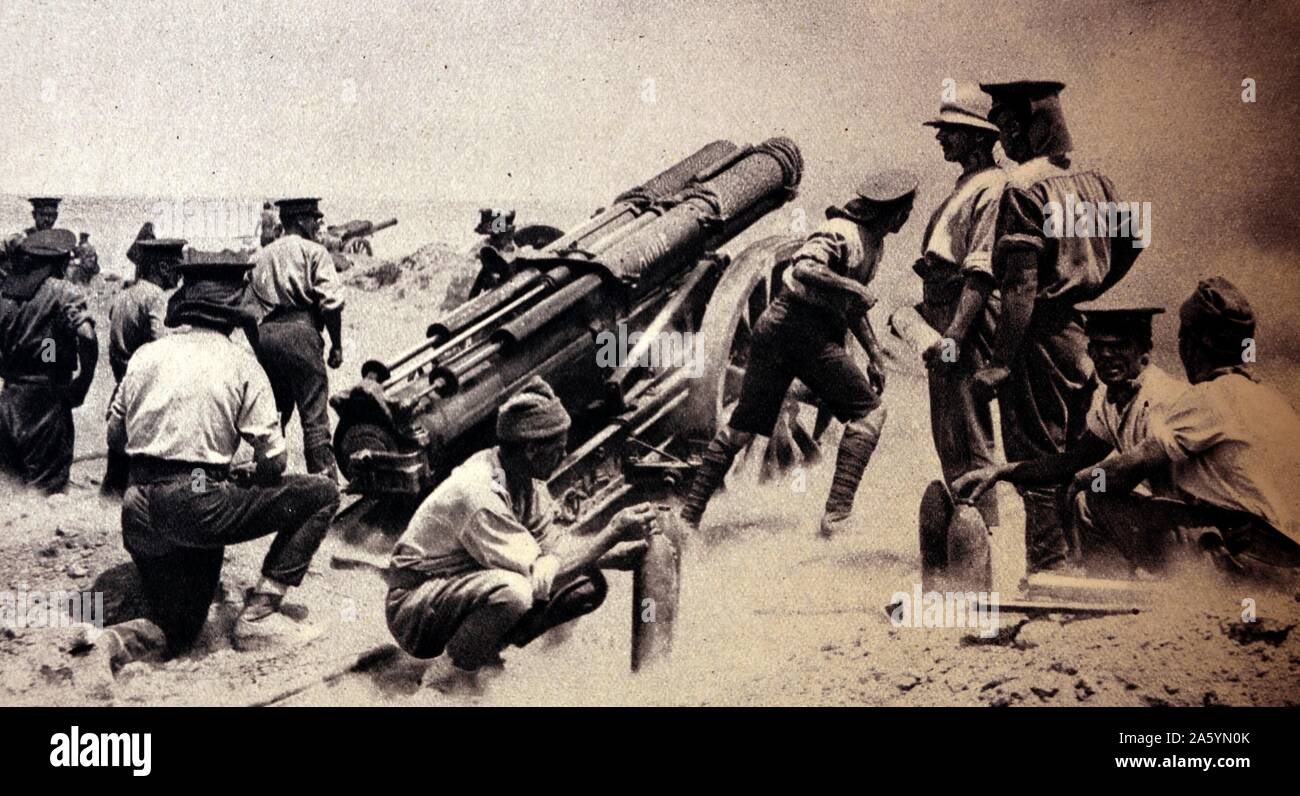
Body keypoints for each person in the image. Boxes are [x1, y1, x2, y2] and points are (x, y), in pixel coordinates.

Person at [92, 250, 339, 673]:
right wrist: (239, 475)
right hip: (195, 504)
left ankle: (113, 641)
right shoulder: (241, 364)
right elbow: (275, 463)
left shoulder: (147, 357)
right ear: (237, 314)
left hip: (136, 507)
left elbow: (116, 437)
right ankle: (260, 615)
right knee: (321, 494)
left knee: (183, 624)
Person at [679, 170, 917, 538]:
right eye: (906, 211)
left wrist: (874, 354)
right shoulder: (843, 232)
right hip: (801, 330)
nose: (906, 219)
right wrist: (851, 285)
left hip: (781, 330)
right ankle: (836, 518)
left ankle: (688, 517)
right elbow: (804, 267)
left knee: (741, 429)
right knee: (870, 415)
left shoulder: (873, 242)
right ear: (895, 212)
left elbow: (851, 307)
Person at [385, 376, 655, 692]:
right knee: (514, 591)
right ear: (530, 449)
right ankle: (447, 679)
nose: (564, 452)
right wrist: (613, 532)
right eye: (557, 447)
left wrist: (609, 555)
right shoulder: (480, 492)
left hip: (456, 589)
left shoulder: (525, 480)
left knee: (585, 585)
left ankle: (484, 650)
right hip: (414, 607)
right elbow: (542, 575)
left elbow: (553, 548)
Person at [974, 79, 1140, 572]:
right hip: (1081, 337)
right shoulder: (1100, 182)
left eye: (1007, 126)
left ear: (1036, 126)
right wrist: (1090, 282)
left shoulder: (1024, 189)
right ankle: (1082, 563)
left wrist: (1001, 363)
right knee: (1075, 457)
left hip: (1038, 339)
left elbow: (1020, 285)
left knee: (1036, 459)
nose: (1002, 141)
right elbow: (1133, 241)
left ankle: (1049, 569)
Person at [1056, 278, 1300, 582]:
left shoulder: (1209, 397)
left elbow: (1128, 470)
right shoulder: (1270, 397)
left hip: (1256, 560)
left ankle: (1122, 594)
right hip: (1287, 557)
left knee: (1095, 500)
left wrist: (1080, 480)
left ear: (1190, 343)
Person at [953, 304, 1186, 572]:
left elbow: (1147, 472)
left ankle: (1161, 579)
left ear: (1144, 353)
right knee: (1089, 497)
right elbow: (1070, 462)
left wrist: (1084, 482)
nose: (1107, 355)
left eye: (1119, 346)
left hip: (1198, 525)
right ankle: (1108, 589)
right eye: (1099, 347)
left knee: (1091, 497)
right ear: (1089, 353)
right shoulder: (1113, 403)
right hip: (1169, 520)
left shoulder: (1162, 398)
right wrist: (999, 473)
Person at [914, 82, 1006, 529]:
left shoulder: (992, 186)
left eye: (949, 129)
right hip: (943, 308)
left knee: (968, 427)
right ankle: (964, 529)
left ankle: (980, 530)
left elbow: (981, 270)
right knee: (949, 429)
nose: (940, 137)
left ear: (977, 136)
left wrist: (955, 333)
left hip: (962, 312)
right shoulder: (967, 184)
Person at [249, 197, 345, 479]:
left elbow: (246, 309)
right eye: (314, 219)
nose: (318, 224)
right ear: (301, 221)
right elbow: (331, 304)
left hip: (266, 335)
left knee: (274, 415)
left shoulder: (260, 256)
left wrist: (259, 343)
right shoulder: (315, 252)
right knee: (314, 415)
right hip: (301, 333)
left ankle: (266, 481)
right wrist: (337, 345)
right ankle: (325, 486)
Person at [0, 229, 97, 493]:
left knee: (11, 493)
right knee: (46, 494)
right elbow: (86, 335)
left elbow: (45, 345)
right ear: (62, 262)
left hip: (9, 401)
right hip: (47, 406)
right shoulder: (63, 292)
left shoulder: (6, 293)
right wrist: (84, 380)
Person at [101, 238, 186, 497]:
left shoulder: (124, 295)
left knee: (116, 468)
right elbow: (160, 345)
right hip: (146, 392)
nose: (180, 275)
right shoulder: (155, 297)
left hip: (122, 386)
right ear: (162, 267)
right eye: (176, 268)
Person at [2, 197, 63, 277]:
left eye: (51, 215)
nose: (47, 219)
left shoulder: (60, 243)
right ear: (34, 215)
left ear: (56, 216)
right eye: (42, 215)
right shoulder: (21, 238)